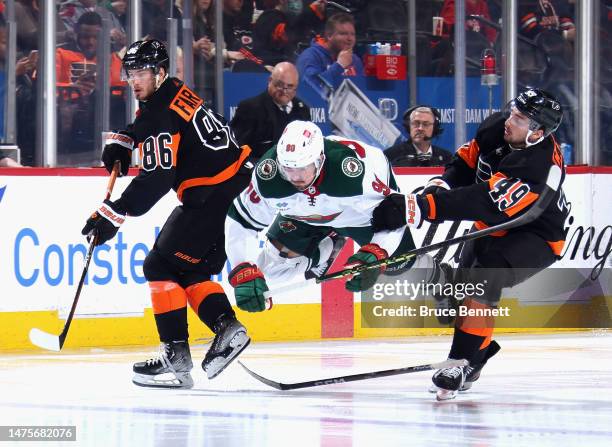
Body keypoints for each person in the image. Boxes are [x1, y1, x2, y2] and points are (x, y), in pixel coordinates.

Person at [371, 88, 569, 400]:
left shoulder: (538, 167)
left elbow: (482, 201)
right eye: (512, 110)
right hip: (494, 226)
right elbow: (466, 163)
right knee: (462, 296)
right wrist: (441, 183)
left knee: (484, 279)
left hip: (537, 236)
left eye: (520, 118)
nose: (510, 119)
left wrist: (420, 208)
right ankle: (475, 358)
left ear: (538, 132)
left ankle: (458, 362)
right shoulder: (497, 127)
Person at [81, 39, 253, 388]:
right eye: (129, 73)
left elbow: (158, 179)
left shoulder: (159, 113)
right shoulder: (171, 91)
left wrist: (114, 213)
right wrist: (125, 141)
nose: (133, 80)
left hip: (212, 194)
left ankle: (179, 354)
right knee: (190, 268)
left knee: (159, 265)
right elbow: (157, 125)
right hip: (237, 188)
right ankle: (225, 330)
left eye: (141, 72)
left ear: (159, 72)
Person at [224, 120, 419, 313]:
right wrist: (243, 268)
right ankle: (325, 250)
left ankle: (334, 239)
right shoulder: (269, 173)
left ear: (319, 160)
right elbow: (242, 220)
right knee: (272, 267)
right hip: (305, 217)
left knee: (399, 264)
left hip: (357, 217)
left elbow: (395, 213)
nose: (295, 178)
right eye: (288, 169)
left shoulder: (351, 174)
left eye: (302, 168)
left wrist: (377, 252)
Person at [230, 62, 310, 160]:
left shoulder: (303, 110)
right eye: (280, 85)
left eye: (289, 86)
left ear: (296, 88)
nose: (284, 91)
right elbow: (237, 150)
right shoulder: (250, 108)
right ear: (270, 81)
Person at [296, 12, 363, 97]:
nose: (350, 39)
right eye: (343, 34)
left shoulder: (354, 59)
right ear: (329, 35)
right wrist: (339, 65)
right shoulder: (310, 57)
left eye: (352, 34)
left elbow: (362, 91)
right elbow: (312, 90)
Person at [384, 105, 453, 167]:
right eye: (416, 123)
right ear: (408, 126)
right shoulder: (391, 156)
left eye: (426, 124)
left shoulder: (447, 158)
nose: (420, 128)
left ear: (435, 128)